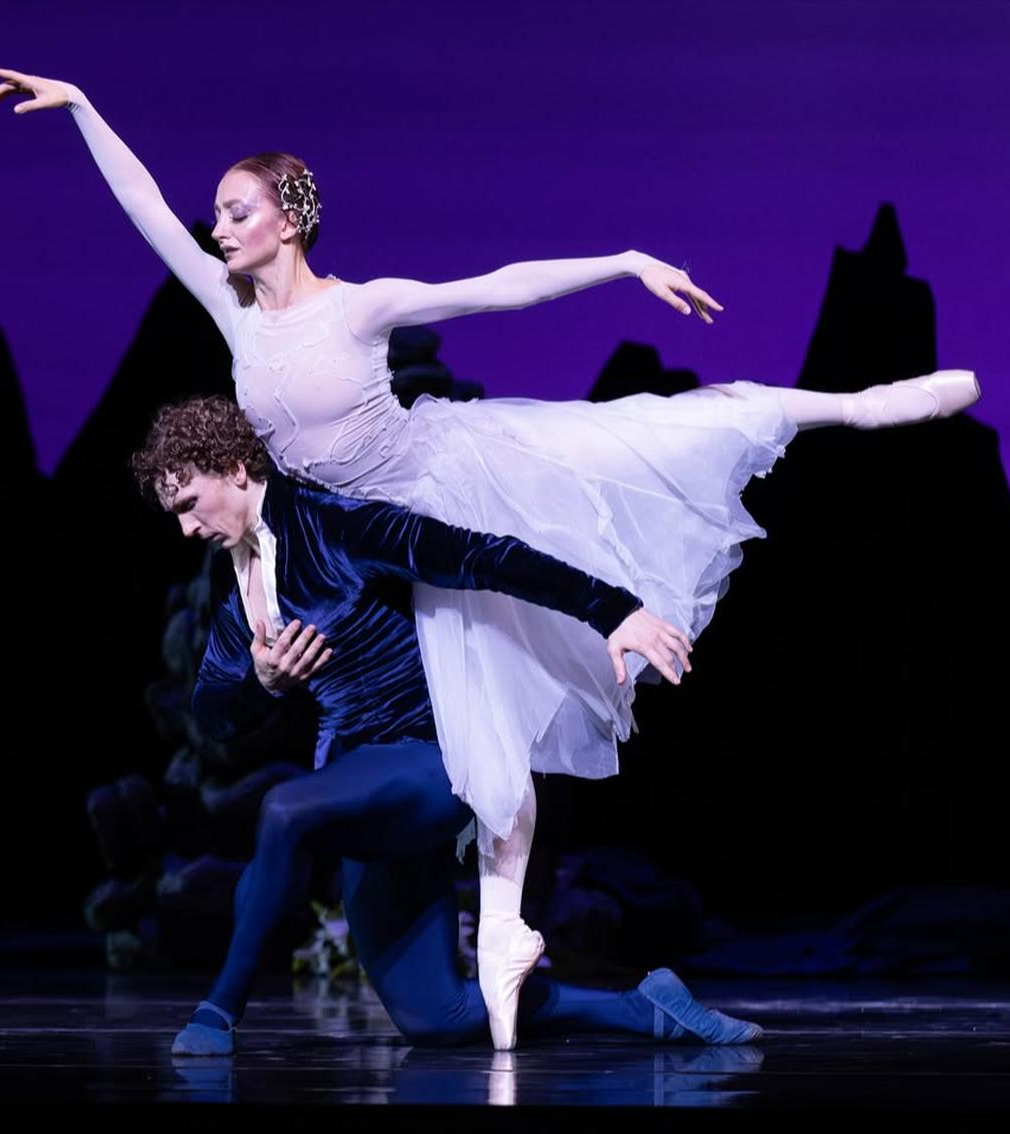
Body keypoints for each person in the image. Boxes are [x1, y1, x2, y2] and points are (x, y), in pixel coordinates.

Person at [0, 67, 981, 1049]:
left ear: (287, 219)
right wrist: (81, 107)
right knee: (437, 1012)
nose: (217, 228)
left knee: (644, 443)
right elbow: (144, 209)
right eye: (217, 213)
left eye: (236, 211)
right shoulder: (231, 316)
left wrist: (623, 261)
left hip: (428, 492)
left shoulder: (355, 308)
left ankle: (855, 405)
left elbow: (494, 291)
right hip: (346, 543)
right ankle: (611, 992)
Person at [131, 395, 755, 1056]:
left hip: (430, 761)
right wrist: (261, 683)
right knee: (441, 1017)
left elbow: (481, 556)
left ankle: (219, 1012)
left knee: (284, 810)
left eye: (188, 505)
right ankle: (645, 1009)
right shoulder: (241, 598)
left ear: (233, 469)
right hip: (352, 787)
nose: (186, 530)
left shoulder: (337, 528)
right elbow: (210, 711)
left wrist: (613, 611)